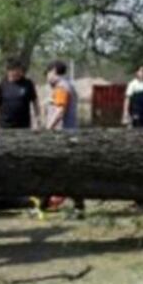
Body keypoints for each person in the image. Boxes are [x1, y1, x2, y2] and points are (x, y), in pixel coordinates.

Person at [41, 60, 85, 217]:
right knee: (61, 171)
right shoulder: (66, 86)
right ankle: (46, 203)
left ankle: (77, 206)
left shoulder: (61, 87)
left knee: (61, 171)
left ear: (53, 71)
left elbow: (60, 111)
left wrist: (48, 129)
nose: (47, 77)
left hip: (62, 137)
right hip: (67, 135)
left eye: (47, 73)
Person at [0, 57, 40, 130]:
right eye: (15, 71)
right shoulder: (2, 84)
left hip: (23, 127)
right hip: (4, 127)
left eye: (20, 70)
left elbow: (35, 102)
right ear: (9, 71)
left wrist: (37, 120)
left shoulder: (28, 84)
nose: (18, 73)